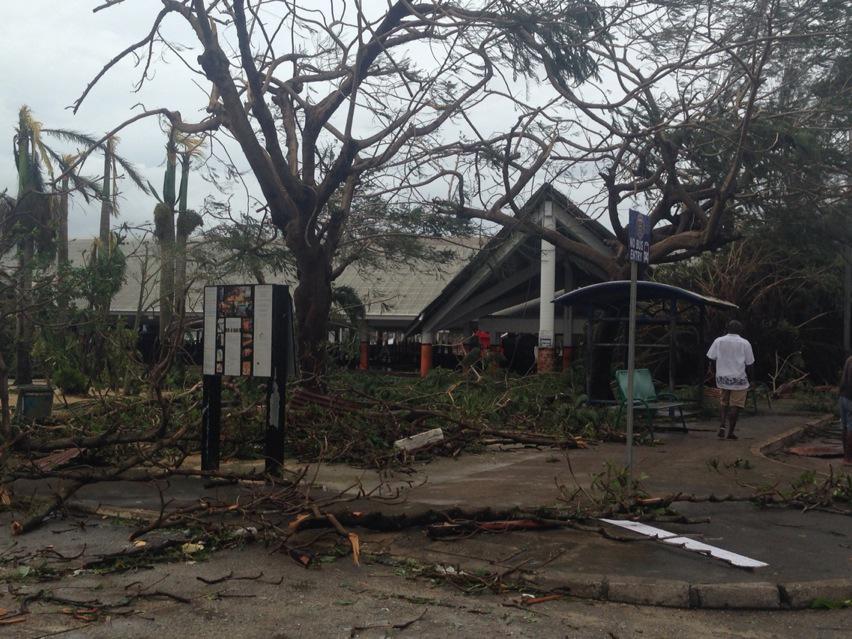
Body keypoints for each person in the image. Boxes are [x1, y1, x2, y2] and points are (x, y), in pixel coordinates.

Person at [706, 320, 755, 440]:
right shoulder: (745, 343)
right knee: (736, 405)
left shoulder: (718, 340)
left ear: (727, 328)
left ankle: (722, 426)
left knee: (724, 403)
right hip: (739, 379)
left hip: (722, 378)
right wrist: (752, 379)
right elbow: (750, 363)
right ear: (740, 330)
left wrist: (714, 370)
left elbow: (711, 357)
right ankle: (731, 432)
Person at [837, 356, 852, 464]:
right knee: (851, 428)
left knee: (844, 426)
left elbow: (843, 380)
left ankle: (845, 455)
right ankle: (848, 458)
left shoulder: (849, 359)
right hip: (851, 399)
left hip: (843, 397)